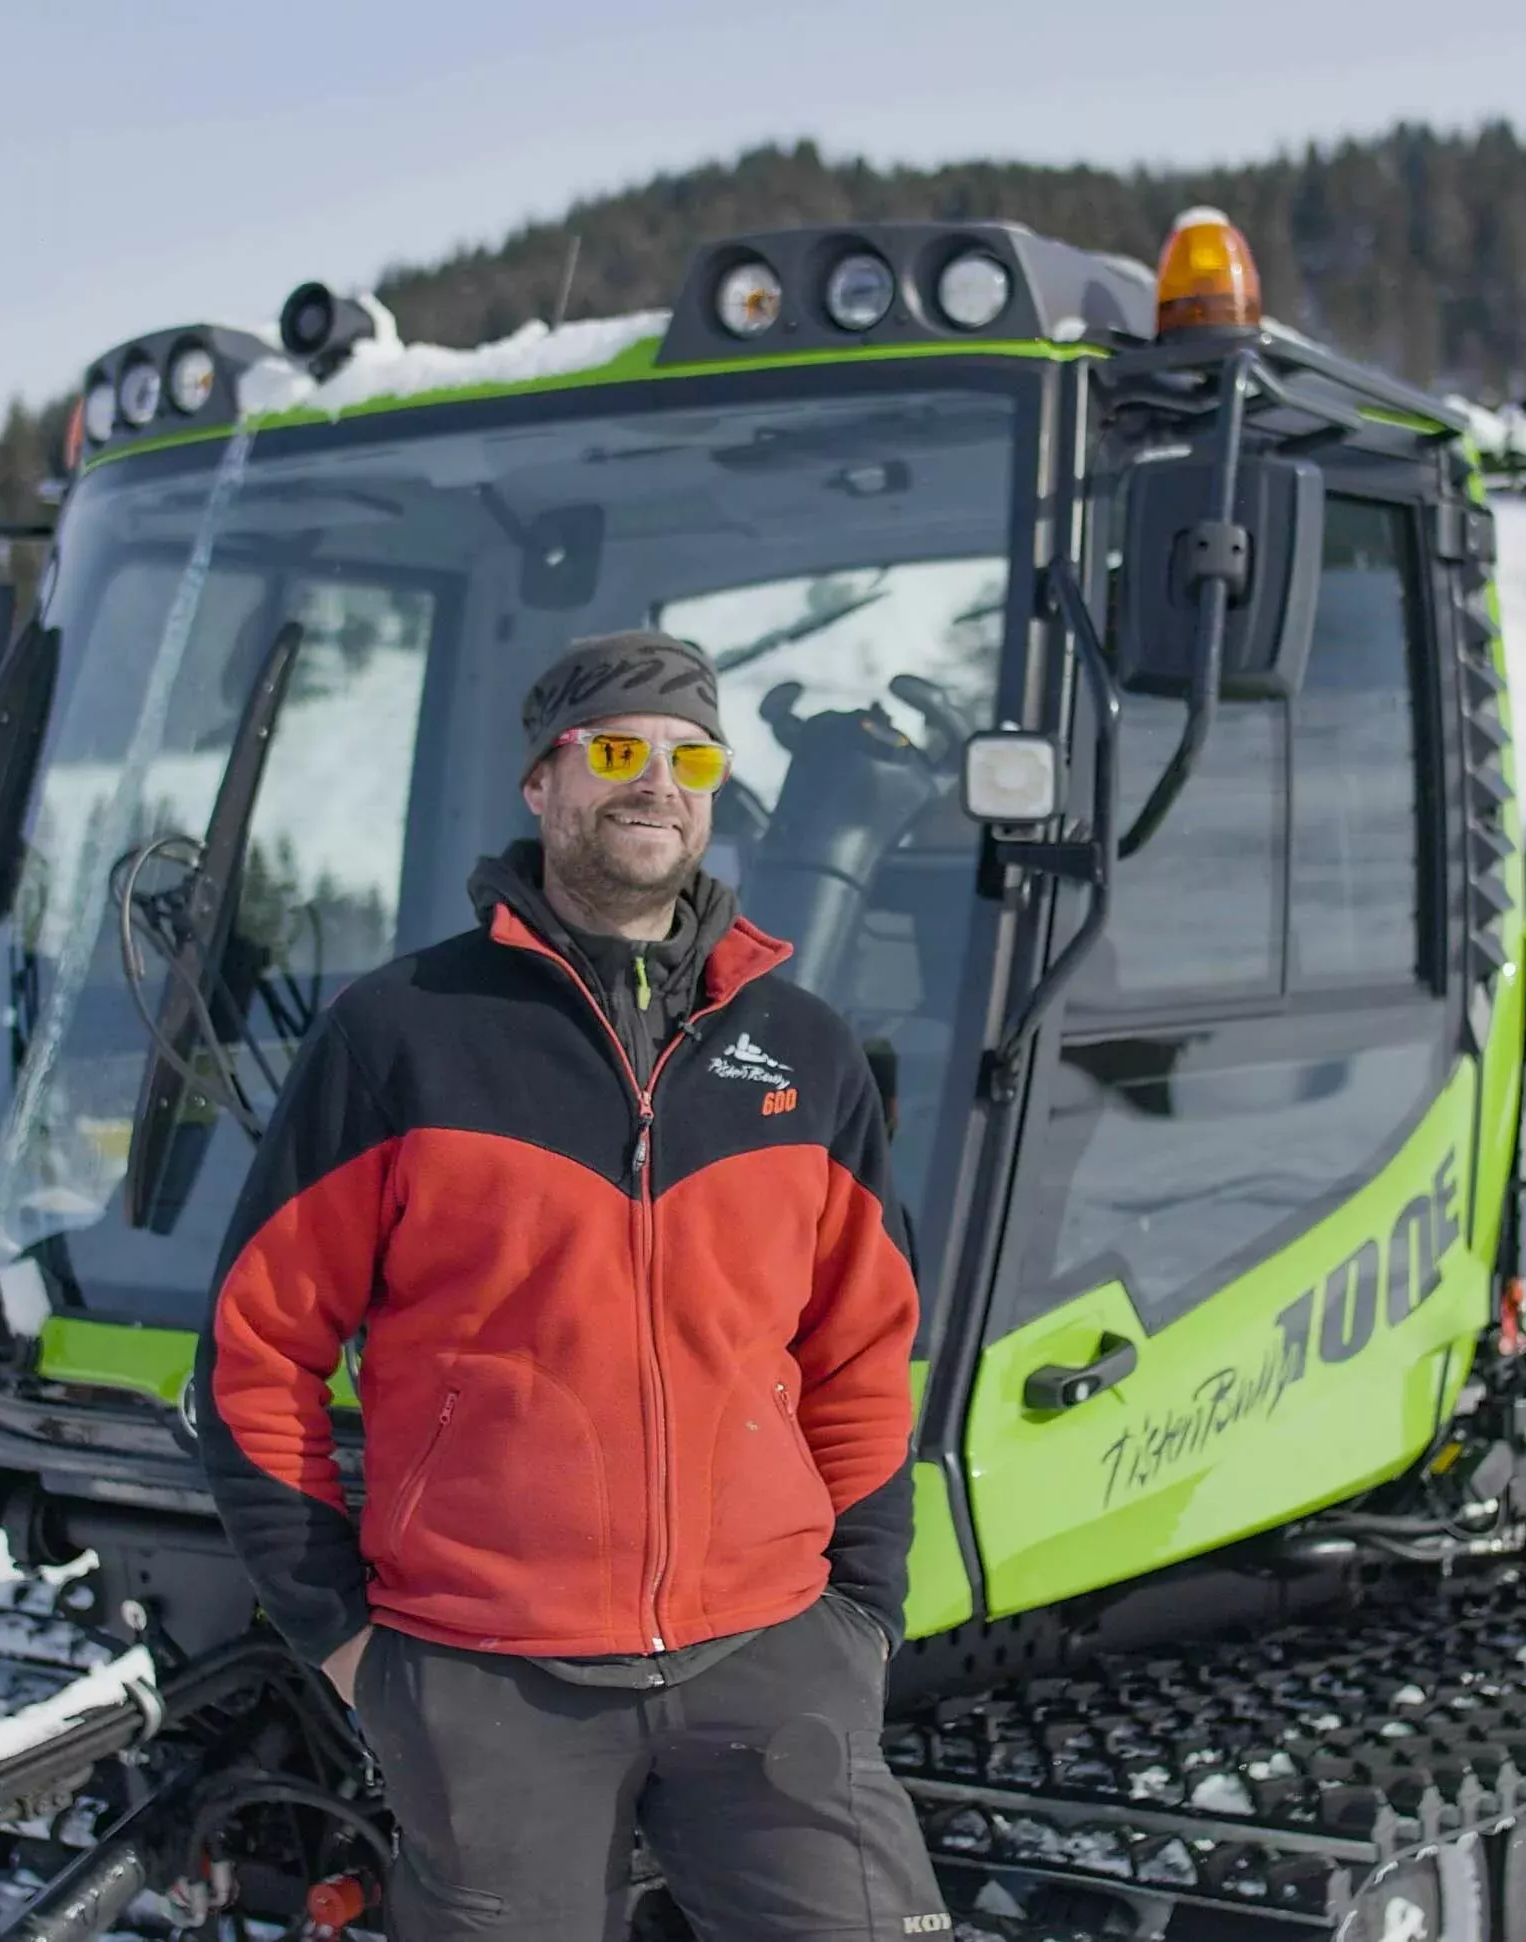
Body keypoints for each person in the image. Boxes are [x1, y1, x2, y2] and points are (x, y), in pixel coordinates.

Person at [194, 628, 947, 1941]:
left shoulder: (805, 1050)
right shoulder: (404, 1033)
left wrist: (862, 1613)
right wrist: (352, 1642)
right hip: (493, 1678)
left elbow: (861, 1353)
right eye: (616, 751)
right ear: (542, 783)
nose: (655, 782)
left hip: (769, 1652)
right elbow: (258, 1349)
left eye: (689, 755)